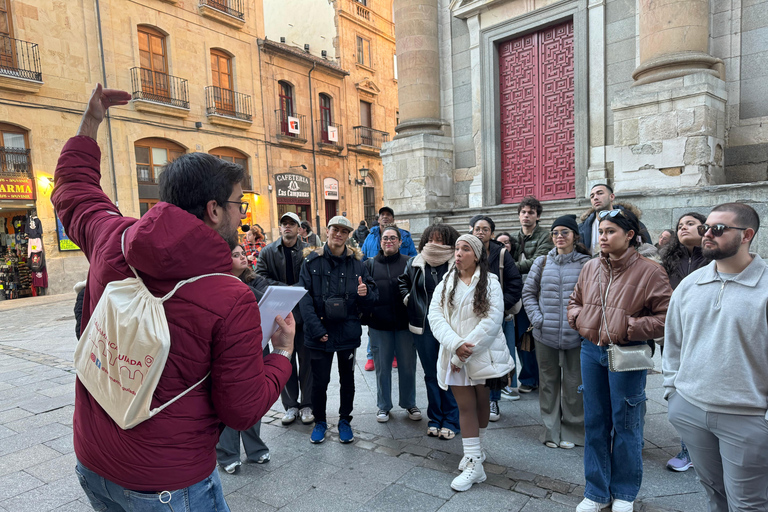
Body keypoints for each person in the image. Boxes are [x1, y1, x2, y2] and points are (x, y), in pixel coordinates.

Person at [54, 84, 294, 510]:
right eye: (239, 204)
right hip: (168, 483)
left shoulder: (113, 238)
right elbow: (242, 411)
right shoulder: (230, 297)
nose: (242, 215)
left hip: (93, 461)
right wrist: (281, 354)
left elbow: (74, 189)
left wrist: (91, 120)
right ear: (213, 210)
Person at [663, 203, 768, 512]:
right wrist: (672, 393)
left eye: (718, 229)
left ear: (747, 235)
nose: (707, 233)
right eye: (705, 227)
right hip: (690, 409)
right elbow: (673, 342)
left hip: (747, 416)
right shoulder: (690, 284)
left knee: (748, 504)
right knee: (713, 494)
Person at [568, 207, 671, 512]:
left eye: (610, 231)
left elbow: (667, 316)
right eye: (600, 231)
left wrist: (628, 327)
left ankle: (625, 492)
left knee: (626, 423)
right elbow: (574, 301)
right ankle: (596, 492)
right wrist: (579, 319)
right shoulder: (590, 267)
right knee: (595, 422)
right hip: (591, 350)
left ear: (629, 235)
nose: (603, 237)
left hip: (628, 351)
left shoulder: (650, 271)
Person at [428, 234, 514, 492]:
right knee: (465, 407)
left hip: (481, 354)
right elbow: (435, 316)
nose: (458, 253)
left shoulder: (491, 282)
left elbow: (491, 322)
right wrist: (455, 344)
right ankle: (475, 463)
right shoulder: (446, 281)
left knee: (481, 402)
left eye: (465, 249)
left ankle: (477, 450)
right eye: (457, 248)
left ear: (476, 256)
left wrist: (462, 353)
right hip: (456, 353)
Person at [299, 215, 376, 445]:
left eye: (344, 231)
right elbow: (304, 298)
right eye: (335, 229)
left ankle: (345, 420)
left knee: (347, 380)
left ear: (348, 235)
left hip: (347, 331)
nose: (339, 234)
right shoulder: (311, 261)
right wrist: (316, 329)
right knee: (319, 381)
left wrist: (365, 294)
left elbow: (371, 297)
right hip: (319, 333)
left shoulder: (358, 264)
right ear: (327, 231)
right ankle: (320, 422)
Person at [521, 215, 590, 450]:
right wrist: (537, 319)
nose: (559, 236)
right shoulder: (542, 262)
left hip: (576, 336)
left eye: (564, 232)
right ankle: (551, 431)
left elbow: (593, 298)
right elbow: (528, 293)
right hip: (545, 334)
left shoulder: (586, 264)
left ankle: (572, 431)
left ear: (575, 236)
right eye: (555, 233)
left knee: (574, 385)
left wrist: (582, 323)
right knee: (548, 384)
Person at [399, 224, 462, 440]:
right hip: (424, 327)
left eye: (440, 240)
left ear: (450, 242)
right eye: (431, 239)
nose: (435, 244)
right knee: (431, 374)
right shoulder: (415, 262)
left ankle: (452, 419)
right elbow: (403, 282)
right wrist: (409, 299)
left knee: (451, 372)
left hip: (450, 328)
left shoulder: (458, 262)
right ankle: (435, 418)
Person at [657, 211, 709, 472]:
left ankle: (708, 448)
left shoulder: (714, 258)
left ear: (705, 228)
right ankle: (688, 449)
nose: (684, 227)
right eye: (680, 225)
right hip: (675, 334)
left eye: (690, 223)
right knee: (677, 390)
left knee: (703, 391)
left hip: (706, 334)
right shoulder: (668, 259)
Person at [216, 245, 272, 473]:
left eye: (243, 254)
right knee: (228, 399)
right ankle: (227, 454)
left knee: (253, 398)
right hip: (228, 349)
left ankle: (255, 448)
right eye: (236, 255)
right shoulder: (216, 284)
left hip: (256, 346)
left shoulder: (254, 280)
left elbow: (265, 301)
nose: (243, 258)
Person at [256, 212, 313, 426]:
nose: (287, 226)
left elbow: (313, 278)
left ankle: (307, 404)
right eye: (284, 224)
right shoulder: (268, 251)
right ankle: (290, 405)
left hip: (304, 314)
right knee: (283, 359)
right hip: (280, 315)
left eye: (292, 223)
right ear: (280, 228)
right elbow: (260, 278)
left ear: (299, 228)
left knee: (307, 362)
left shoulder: (308, 250)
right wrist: (287, 289)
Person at [364, 226, 420, 423]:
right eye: (385, 238)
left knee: (408, 366)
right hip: (379, 325)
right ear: (380, 242)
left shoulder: (409, 262)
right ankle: (383, 406)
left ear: (400, 241)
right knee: (382, 368)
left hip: (405, 325)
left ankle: (409, 403)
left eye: (393, 238)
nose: (389, 241)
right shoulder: (370, 264)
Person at [471, 216, 523, 418]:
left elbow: (515, 282)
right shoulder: (465, 249)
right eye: (477, 228)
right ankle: (474, 399)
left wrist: (501, 307)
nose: (480, 232)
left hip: (495, 314)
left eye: (485, 229)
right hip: (470, 314)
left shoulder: (501, 253)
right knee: (474, 354)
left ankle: (493, 400)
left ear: (492, 233)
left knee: (493, 356)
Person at [362, 206, 417, 369]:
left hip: (398, 274)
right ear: (379, 219)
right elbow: (363, 256)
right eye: (382, 215)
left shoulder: (405, 236)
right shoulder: (371, 236)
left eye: (388, 215)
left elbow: (413, 256)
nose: (385, 217)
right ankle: (371, 355)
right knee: (377, 319)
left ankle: (394, 354)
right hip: (376, 275)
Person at [512, 196, 555, 394]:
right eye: (523, 212)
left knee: (535, 335)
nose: (526, 216)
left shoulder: (545, 236)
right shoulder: (514, 237)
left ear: (537, 216)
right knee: (522, 337)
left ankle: (539, 378)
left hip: (538, 293)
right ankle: (529, 378)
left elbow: (539, 261)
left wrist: (510, 267)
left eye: (531, 212)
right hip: (517, 293)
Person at [578, 183, 651, 256]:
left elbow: (648, 250)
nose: (595, 198)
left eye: (600, 193)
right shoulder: (582, 228)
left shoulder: (632, 223)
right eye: (592, 196)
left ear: (612, 197)